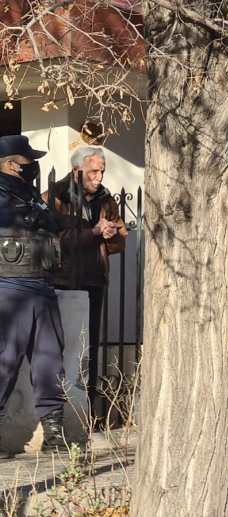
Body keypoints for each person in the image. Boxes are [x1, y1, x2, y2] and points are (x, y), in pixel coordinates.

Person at [43, 147, 127, 420]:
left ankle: (85, 415)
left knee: (88, 348)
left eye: (102, 171)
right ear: (77, 170)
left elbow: (120, 242)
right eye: (93, 171)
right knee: (58, 348)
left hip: (94, 281)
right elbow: (54, 242)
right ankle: (54, 415)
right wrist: (93, 232)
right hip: (62, 281)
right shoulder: (55, 196)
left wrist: (111, 234)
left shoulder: (106, 199)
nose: (99, 177)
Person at [0, 135, 67, 453]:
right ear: (11, 164)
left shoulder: (28, 193)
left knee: (49, 361)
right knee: (5, 360)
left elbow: (51, 223)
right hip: (9, 287)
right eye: (29, 161)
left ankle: (54, 433)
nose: (34, 166)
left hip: (41, 283)